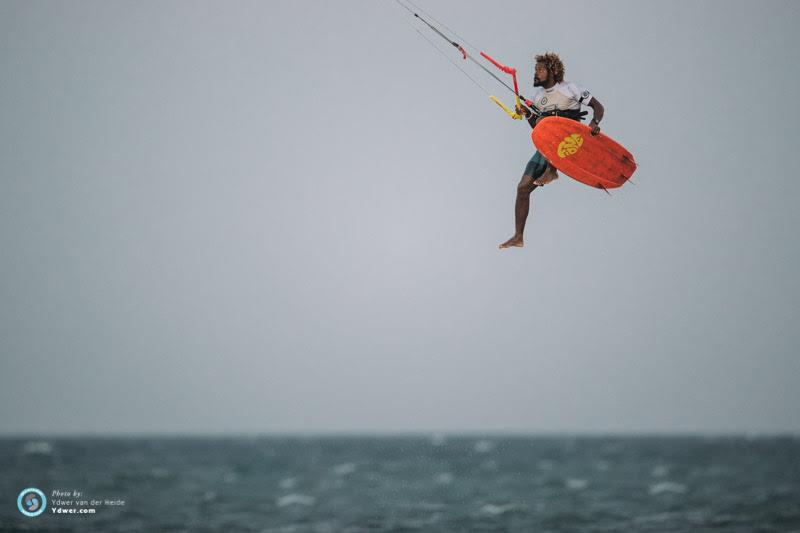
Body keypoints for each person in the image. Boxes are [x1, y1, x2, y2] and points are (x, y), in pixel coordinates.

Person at [499, 52, 605, 249]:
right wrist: (527, 113)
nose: (536, 73)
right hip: (549, 147)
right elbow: (538, 131)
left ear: (552, 70)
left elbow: (598, 107)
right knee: (522, 188)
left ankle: (552, 171)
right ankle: (518, 236)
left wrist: (594, 122)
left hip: (571, 141)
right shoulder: (537, 98)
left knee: (553, 132)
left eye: (540, 69)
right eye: (535, 70)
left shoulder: (570, 89)